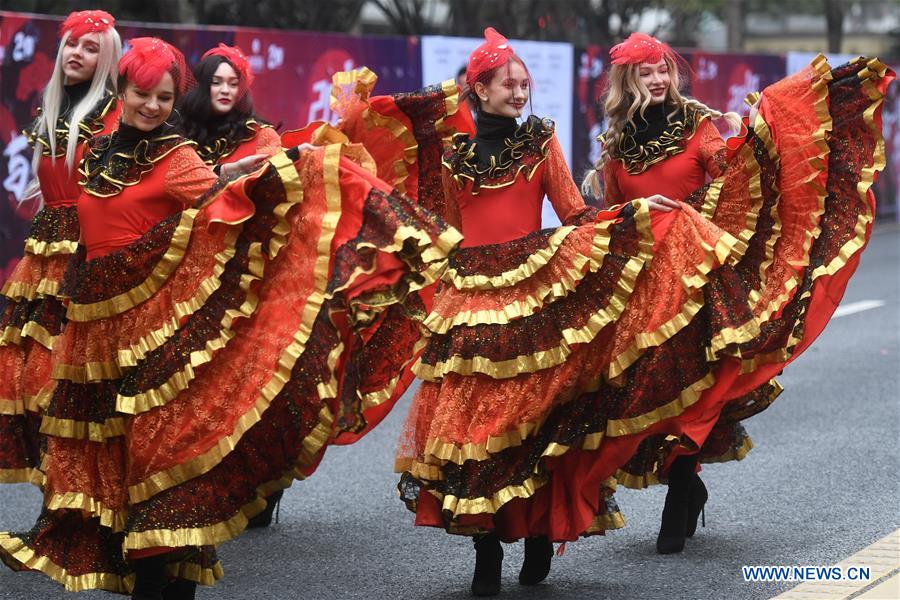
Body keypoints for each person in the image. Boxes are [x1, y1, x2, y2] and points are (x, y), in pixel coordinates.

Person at [396, 27, 893, 597]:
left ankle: (662, 486)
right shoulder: (470, 153)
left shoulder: (553, 140)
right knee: (477, 423)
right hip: (492, 293)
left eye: (525, 84)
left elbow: (590, 210)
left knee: (591, 403)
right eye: (509, 84)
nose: (519, 92)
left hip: (663, 269)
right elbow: (462, 226)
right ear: (479, 90)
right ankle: (489, 546)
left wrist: (692, 192)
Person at [0, 37, 460, 599]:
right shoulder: (97, 151)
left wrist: (290, 169)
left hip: (155, 332)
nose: (151, 105)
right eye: (142, 93)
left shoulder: (176, 157)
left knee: (159, 461)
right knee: (108, 465)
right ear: (121, 91)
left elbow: (225, 194)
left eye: (164, 97)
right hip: (94, 335)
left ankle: (164, 573)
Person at [581, 32, 771, 555]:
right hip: (642, 286)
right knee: (645, 393)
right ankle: (686, 483)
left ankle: (681, 488)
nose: (660, 79)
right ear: (628, 80)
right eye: (647, 72)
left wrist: (693, 213)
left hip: (695, 280)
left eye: (664, 69)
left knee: (692, 387)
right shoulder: (617, 144)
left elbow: (733, 180)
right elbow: (608, 219)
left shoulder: (697, 126)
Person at [0, 9, 121, 487]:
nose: (77, 53)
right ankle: (62, 484)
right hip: (45, 249)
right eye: (72, 44)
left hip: (88, 250)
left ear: (107, 58)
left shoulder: (112, 114)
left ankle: (87, 487)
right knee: (28, 365)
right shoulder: (54, 108)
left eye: (91, 48)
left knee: (71, 372)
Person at [178, 43, 283, 528]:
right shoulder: (175, 135)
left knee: (247, 377)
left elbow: (276, 191)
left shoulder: (261, 137)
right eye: (216, 81)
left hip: (247, 270)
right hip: (185, 271)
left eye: (233, 83)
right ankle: (201, 477)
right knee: (197, 380)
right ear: (200, 85)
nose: (224, 90)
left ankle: (257, 481)